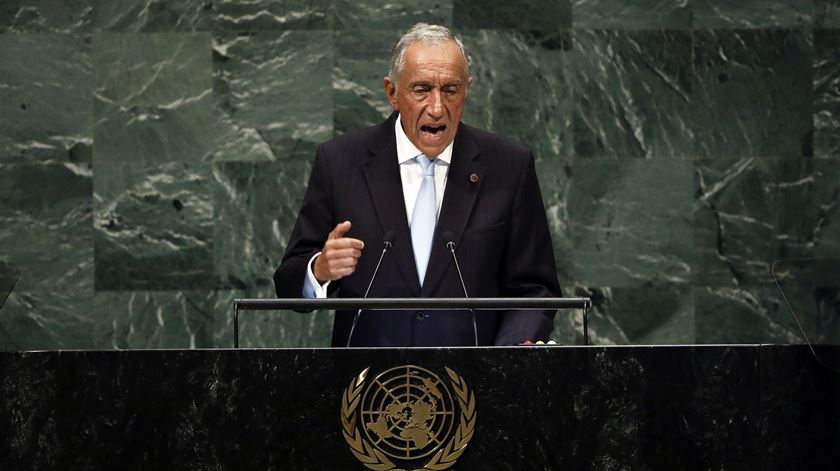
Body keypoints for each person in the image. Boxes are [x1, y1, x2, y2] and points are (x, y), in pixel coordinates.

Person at [274, 23, 561, 347]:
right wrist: (321, 269)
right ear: (392, 92)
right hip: (369, 387)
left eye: (450, 90)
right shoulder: (340, 161)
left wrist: (510, 355)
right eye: (422, 90)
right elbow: (288, 284)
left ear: (467, 89)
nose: (437, 108)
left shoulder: (508, 165)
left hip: (476, 386)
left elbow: (535, 289)